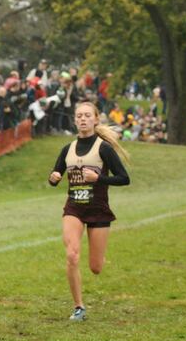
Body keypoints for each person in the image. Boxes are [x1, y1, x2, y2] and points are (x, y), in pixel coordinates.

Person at [48, 102, 130, 321]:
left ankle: (95, 267)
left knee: (95, 267)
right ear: (75, 120)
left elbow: (124, 178)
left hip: (98, 209)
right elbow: (55, 175)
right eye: (79, 116)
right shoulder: (68, 149)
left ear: (95, 119)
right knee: (72, 254)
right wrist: (53, 177)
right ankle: (78, 307)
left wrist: (99, 178)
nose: (83, 119)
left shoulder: (103, 148)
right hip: (74, 208)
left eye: (87, 116)